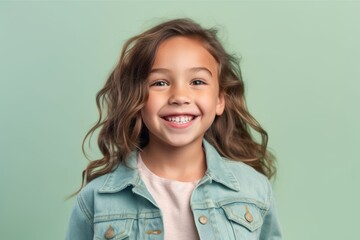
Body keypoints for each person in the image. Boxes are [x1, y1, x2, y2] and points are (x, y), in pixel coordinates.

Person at [66, 18, 282, 240]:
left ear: (219, 100)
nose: (179, 97)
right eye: (160, 83)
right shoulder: (96, 200)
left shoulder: (254, 189)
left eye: (197, 82)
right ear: (137, 99)